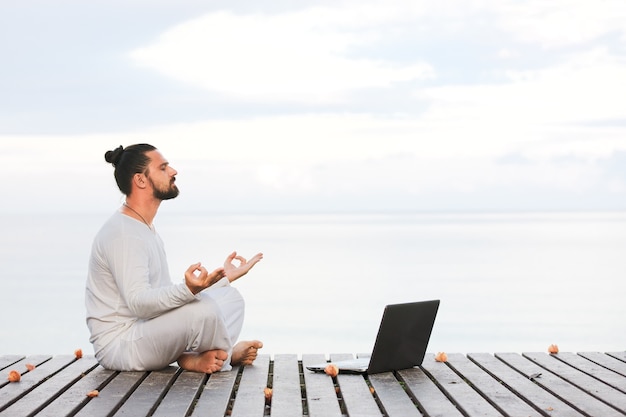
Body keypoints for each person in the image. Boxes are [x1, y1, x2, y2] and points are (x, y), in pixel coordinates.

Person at [85, 143, 263, 373]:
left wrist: (219, 280)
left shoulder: (143, 227)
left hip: (146, 331)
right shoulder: (123, 234)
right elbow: (139, 304)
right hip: (122, 346)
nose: (173, 172)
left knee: (229, 298)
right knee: (204, 309)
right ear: (141, 180)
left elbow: (160, 295)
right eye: (163, 168)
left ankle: (202, 356)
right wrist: (189, 290)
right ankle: (222, 356)